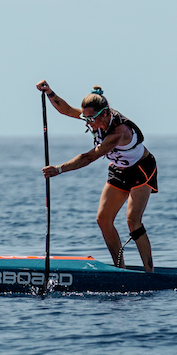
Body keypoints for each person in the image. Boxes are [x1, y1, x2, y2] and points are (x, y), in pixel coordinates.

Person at [36, 80, 157, 272]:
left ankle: (150, 273)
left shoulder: (119, 131)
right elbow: (66, 110)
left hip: (141, 169)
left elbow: (89, 157)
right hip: (119, 168)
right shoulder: (93, 117)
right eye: (86, 118)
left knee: (133, 221)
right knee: (103, 219)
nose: (88, 123)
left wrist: (59, 169)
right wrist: (50, 92)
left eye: (92, 119)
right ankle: (121, 270)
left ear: (106, 114)